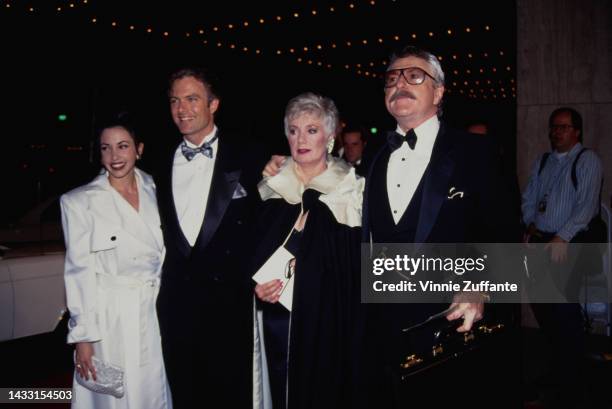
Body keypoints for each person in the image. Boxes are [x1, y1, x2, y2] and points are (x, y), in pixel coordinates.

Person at [362, 45, 520, 408]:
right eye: (391, 79)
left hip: (449, 312)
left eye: (414, 76)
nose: (399, 84)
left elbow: (505, 230)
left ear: (439, 91)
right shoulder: (374, 153)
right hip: (382, 317)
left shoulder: (475, 150)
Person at [154, 67, 263, 408]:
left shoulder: (250, 156)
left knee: (231, 395)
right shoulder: (157, 162)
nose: (181, 109)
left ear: (213, 104)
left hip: (229, 306)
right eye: (174, 100)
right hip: (176, 306)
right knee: (185, 394)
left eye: (191, 99)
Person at [252, 92, 364, 409]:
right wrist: (255, 285)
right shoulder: (269, 188)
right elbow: (249, 253)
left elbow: (356, 263)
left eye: (311, 130)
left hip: (330, 315)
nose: (300, 139)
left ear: (330, 135)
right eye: (293, 130)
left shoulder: (352, 189)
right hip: (278, 317)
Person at [61, 113, 172, 408]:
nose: (114, 156)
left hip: (157, 310)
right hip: (110, 319)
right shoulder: (79, 201)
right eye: (105, 148)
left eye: (123, 146)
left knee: (154, 391)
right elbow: (78, 272)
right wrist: (83, 338)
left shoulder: (159, 189)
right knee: (115, 397)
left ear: (139, 149)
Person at [522, 107, 603, 408]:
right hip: (540, 242)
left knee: (565, 316)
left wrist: (562, 236)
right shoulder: (543, 160)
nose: (557, 132)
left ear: (577, 131)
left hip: (566, 244)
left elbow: (586, 206)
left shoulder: (587, 160)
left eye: (564, 127)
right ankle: (558, 371)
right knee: (544, 310)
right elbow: (530, 196)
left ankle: (572, 385)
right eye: (554, 127)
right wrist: (529, 224)